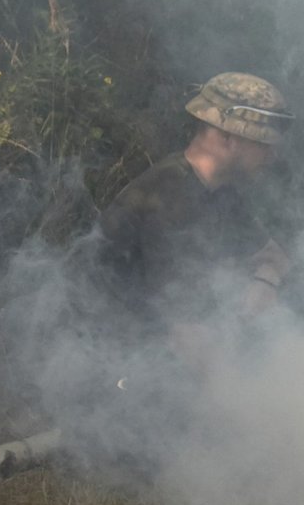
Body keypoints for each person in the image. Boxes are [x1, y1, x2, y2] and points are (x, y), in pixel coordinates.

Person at [98, 71, 291, 336]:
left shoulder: (222, 191)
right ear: (227, 138)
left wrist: (266, 281)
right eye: (263, 143)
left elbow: (276, 257)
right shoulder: (171, 198)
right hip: (97, 349)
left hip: (150, 342)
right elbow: (185, 332)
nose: (272, 155)